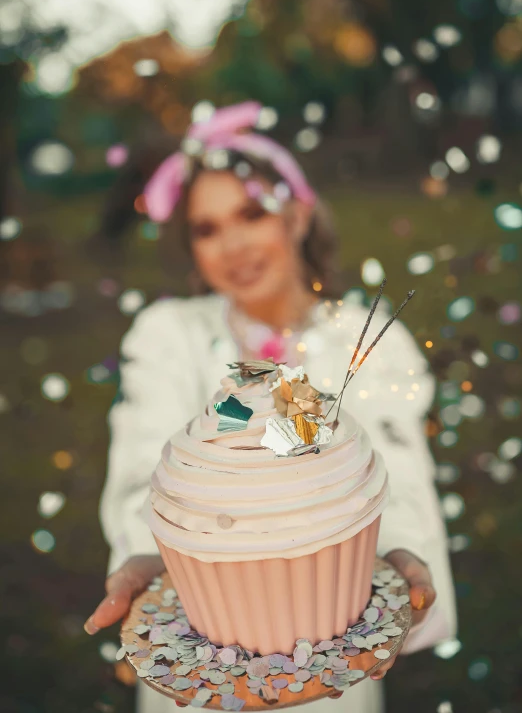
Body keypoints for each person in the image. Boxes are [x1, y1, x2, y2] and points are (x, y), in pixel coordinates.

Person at [84, 101, 457, 713]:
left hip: (330, 647)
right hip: (202, 639)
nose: (231, 245)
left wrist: (398, 545)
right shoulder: (170, 335)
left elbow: (395, 469)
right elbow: (140, 471)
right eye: (206, 228)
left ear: (299, 213)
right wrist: (150, 549)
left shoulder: (360, 338)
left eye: (251, 213)